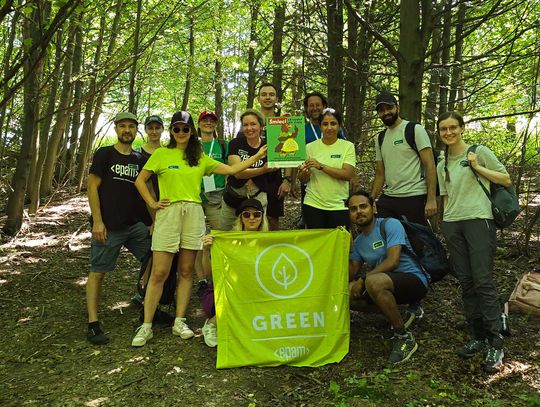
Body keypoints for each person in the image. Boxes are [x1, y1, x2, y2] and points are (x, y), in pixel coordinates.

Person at [131, 111, 268, 347]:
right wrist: (153, 204)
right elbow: (140, 181)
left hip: (194, 212)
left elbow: (232, 170)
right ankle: (146, 325)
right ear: (172, 131)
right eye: (177, 129)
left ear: (191, 131)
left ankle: (180, 321)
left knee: (186, 271)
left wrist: (258, 154)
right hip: (169, 213)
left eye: (185, 129)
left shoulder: (200, 157)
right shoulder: (162, 154)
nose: (181, 133)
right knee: (159, 272)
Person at [436, 111, 510, 373]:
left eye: (453, 128)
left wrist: (477, 167)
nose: (448, 133)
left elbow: (505, 179)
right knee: (466, 281)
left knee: (483, 280)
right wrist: (445, 224)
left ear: (462, 128)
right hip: (453, 223)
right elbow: (445, 196)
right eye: (443, 129)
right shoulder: (442, 161)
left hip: (479, 220)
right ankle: (478, 336)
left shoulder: (479, 152)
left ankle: (495, 340)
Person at [86, 112, 151, 345]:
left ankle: (148, 305)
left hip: (135, 225)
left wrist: (151, 222)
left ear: (136, 131)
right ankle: (93, 324)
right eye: (123, 126)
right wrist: (97, 221)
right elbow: (92, 187)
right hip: (108, 226)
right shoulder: (105, 154)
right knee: (98, 272)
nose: (127, 130)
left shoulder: (139, 159)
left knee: (154, 260)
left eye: (131, 126)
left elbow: (145, 194)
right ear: (116, 129)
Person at [347, 190, 428, 365]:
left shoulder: (389, 225)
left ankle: (403, 336)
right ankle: (400, 315)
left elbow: (393, 261)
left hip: (413, 280)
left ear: (373, 208)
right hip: (385, 285)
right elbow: (350, 273)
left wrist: (363, 279)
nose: (359, 211)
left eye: (363, 206)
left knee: (372, 281)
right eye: (353, 209)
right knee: (347, 293)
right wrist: (340, 246)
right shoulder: (359, 242)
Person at [200, 198, 269, 347]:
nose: (252, 218)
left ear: (262, 218)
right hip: (224, 295)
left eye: (256, 214)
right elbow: (207, 272)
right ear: (240, 218)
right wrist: (206, 251)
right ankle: (212, 325)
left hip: (258, 292)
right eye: (246, 214)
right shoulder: (228, 242)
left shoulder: (269, 243)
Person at [370, 90, 437, 226]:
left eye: (389, 108)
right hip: (389, 196)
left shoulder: (414, 129)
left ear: (397, 107)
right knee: (383, 233)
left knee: (417, 241)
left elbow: (430, 164)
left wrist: (431, 199)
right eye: (381, 110)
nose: (386, 112)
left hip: (414, 195)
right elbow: (380, 173)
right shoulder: (380, 138)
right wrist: (370, 200)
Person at [297, 108, 355, 229]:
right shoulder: (309, 147)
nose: (329, 128)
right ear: (320, 126)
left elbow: (348, 175)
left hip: (338, 205)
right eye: (325, 124)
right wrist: (304, 173)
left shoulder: (347, 146)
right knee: (317, 245)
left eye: (333, 123)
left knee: (338, 245)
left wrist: (321, 166)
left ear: (339, 125)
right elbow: (303, 179)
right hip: (313, 204)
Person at [219, 109, 274, 231]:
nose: (249, 128)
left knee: (255, 234)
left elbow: (285, 159)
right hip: (234, 197)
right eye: (245, 125)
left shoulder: (269, 146)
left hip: (257, 197)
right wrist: (263, 169)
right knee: (225, 233)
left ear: (261, 125)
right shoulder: (235, 143)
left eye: (253, 124)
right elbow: (237, 172)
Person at [256, 82, 291, 230]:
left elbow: (289, 153)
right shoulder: (251, 121)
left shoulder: (282, 122)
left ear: (276, 99)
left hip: (274, 177)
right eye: (264, 94)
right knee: (253, 216)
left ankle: (274, 250)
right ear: (258, 99)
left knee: (272, 218)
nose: (267, 98)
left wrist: (287, 179)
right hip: (254, 175)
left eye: (271, 95)